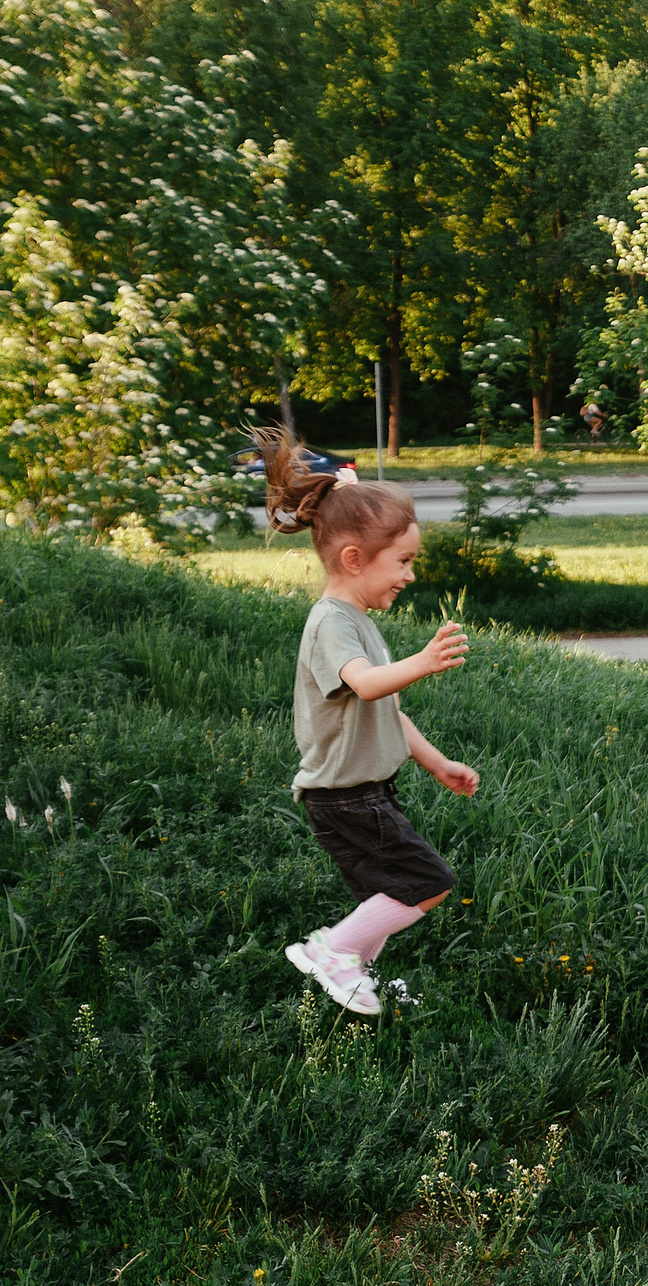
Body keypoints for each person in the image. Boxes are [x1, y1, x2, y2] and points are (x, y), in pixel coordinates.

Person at [259, 427, 481, 1016]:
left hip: (363, 791)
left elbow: (387, 709)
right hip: (345, 796)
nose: (410, 575)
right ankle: (330, 952)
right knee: (429, 883)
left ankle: (356, 969)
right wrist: (423, 663)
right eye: (402, 561)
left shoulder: (358, 621)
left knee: (389, 891)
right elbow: (365, 683)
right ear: (354, 559)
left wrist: (437, 764)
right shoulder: (332, 623)